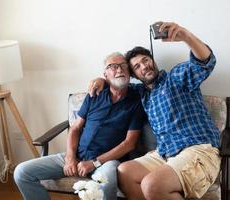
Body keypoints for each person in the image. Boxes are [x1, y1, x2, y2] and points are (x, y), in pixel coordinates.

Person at [89, 22, 221, 199]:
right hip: (165, 153)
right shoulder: (140, 93)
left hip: (198, 150)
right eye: (137, 66)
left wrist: (186, 36)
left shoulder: (176, 78)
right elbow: (118, 83)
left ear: (153, 61)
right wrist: (102, 80)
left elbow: (205, 63)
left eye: (146, 60)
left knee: (151, 184)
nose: (144, 66)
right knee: (124, 171)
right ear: (135, 75)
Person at [14, 52, 146, 200]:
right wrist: (70, 157)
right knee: (22, 172)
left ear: (129, 72)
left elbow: (129, 144)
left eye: (123, 66)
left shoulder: (136, 101)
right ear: (105, 75)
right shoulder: (94, 95)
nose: (119, 70)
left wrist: (94, 163)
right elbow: (75, 128)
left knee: (106, 183)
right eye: (113, 67)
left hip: (106, 162)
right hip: (77, 155)